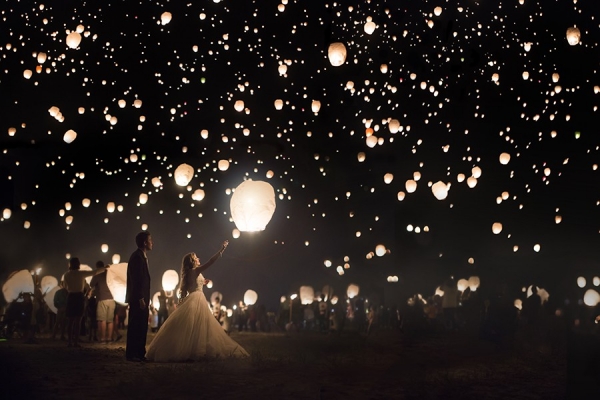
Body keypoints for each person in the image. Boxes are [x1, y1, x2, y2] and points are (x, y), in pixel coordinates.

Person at [146, 240, 249, 361]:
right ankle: (196, 351)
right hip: (197, 299)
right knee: (199, 326)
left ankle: (190, 349)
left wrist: (202, 282)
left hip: (193, 298)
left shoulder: (188, 273)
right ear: (192, 261)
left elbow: (192, 285)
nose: (198, 258)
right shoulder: (195, 270)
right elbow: (210, 262)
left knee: (192, 326)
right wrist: (221, 250)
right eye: (196, 257)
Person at [63, 257, 108, 347]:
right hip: (79, 296)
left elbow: (65, 287)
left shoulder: (66, 275)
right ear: (78, 264)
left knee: (70, 321)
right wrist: (104, 268)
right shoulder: (81, 274)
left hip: (71, 296)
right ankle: (75, 341)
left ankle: (69, 341)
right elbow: (94, 272)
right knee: (78, 320)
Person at [125, 231, 153, 362]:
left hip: (142, 297)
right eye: (150, 240)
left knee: (141, 325)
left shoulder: (141, 256)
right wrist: (141, 298)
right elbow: (136, 280)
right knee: (136, 325)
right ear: (144, 242)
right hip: (138, 298)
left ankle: (139, 353)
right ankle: (134, 353)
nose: (152, 242)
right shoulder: (137, 257)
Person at [89, 261, 116, 344]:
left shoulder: (97, 275)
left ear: (97, 267)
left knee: (102, 320)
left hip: (102, 299)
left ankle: (103, 339)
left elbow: (91, 284)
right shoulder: (109, 274)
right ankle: (109, 338)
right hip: (112, 299)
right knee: (110, 320)